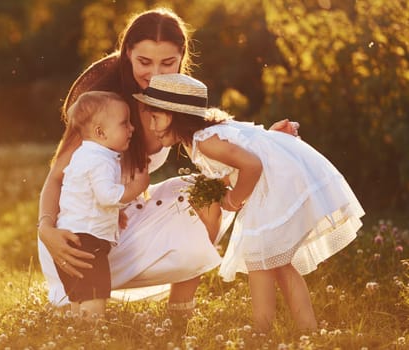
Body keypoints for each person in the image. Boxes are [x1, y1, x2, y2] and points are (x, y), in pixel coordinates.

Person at [37, 7, 300, 315]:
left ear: (182, 57)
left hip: (115, 229)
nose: (156, 74)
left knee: (202, 192)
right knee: (198, 192)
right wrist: (46, 230)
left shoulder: (174, 100)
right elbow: (57, 176)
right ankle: (79, 299)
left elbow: (217, 138)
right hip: (77, 241)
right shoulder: (106, 105)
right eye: (144, 62)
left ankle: (179, 313)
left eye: (168, 62)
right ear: (127, 54)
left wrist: (266, 141)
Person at [133, 73, 365, 331]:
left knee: (260, 261)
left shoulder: (205, 141)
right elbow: (239, 160)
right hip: (275, 182)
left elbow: (252, 165)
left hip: (273, 186)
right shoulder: (201, 138)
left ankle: (261, 330)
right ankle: (307, 329)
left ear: (176, 115)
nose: (151, 126)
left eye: (155, 117)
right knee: (277, 262)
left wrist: (233, 198)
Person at [52, 90, 149, 318]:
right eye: (125, 123)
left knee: (80, 301)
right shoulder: (100, 160)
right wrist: (138, 187)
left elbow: (85, 197)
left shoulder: (84, 155)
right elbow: (106, 196)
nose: (132, 128)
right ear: (100, 132)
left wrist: (115, 213)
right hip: (88, 242)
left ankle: (79, 337)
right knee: (94, 301)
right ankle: (92, 339)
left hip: (73, 237)